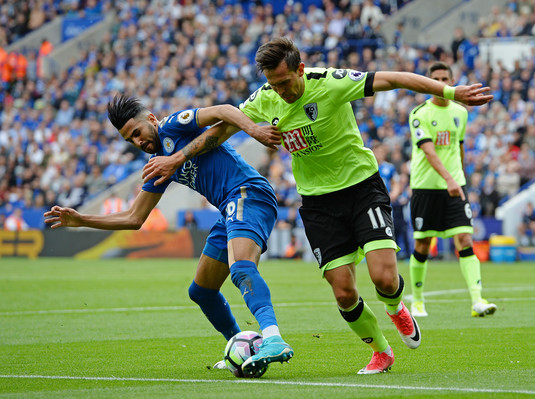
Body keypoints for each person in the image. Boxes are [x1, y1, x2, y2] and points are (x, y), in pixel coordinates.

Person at [141, 38, 492, 374]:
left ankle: (395, 306)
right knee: (344, 292)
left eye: (283, 82)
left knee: (384, 278)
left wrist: (449, 92)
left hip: (361, 188)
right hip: (317, 202)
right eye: (273, 84)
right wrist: (179, 158)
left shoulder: (331, 82)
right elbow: (220, 129)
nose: (279, 91)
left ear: (300, 70)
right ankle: (381, 352)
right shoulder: (266, 97)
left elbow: (393, 78)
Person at [44, 95, 293, 374]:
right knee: (202, 292)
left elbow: (225, 110)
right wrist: (82, 220)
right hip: (228, 208)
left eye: (137, 133)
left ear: (151, 120)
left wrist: (255, 130)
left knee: (241, 268)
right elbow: (134, 217)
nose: (137, 142)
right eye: (130, 140)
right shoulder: (157, 164)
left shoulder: (174, 125)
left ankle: (273, 338)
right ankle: (241, 345)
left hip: (248, 192)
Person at [407, 62, 497, 318]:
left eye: (445, 77)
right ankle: (419, 301)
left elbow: (458, 147)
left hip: (455, 185)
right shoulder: (419, 114)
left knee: (465, 239)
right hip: (426, 187)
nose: (441, 82)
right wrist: (449, 178)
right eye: (436, 78)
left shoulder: (461, 112)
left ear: (452, 79)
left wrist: (459, 177)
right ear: (429, 82)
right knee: (423, 243)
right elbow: (429, 150)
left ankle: (477, 300)